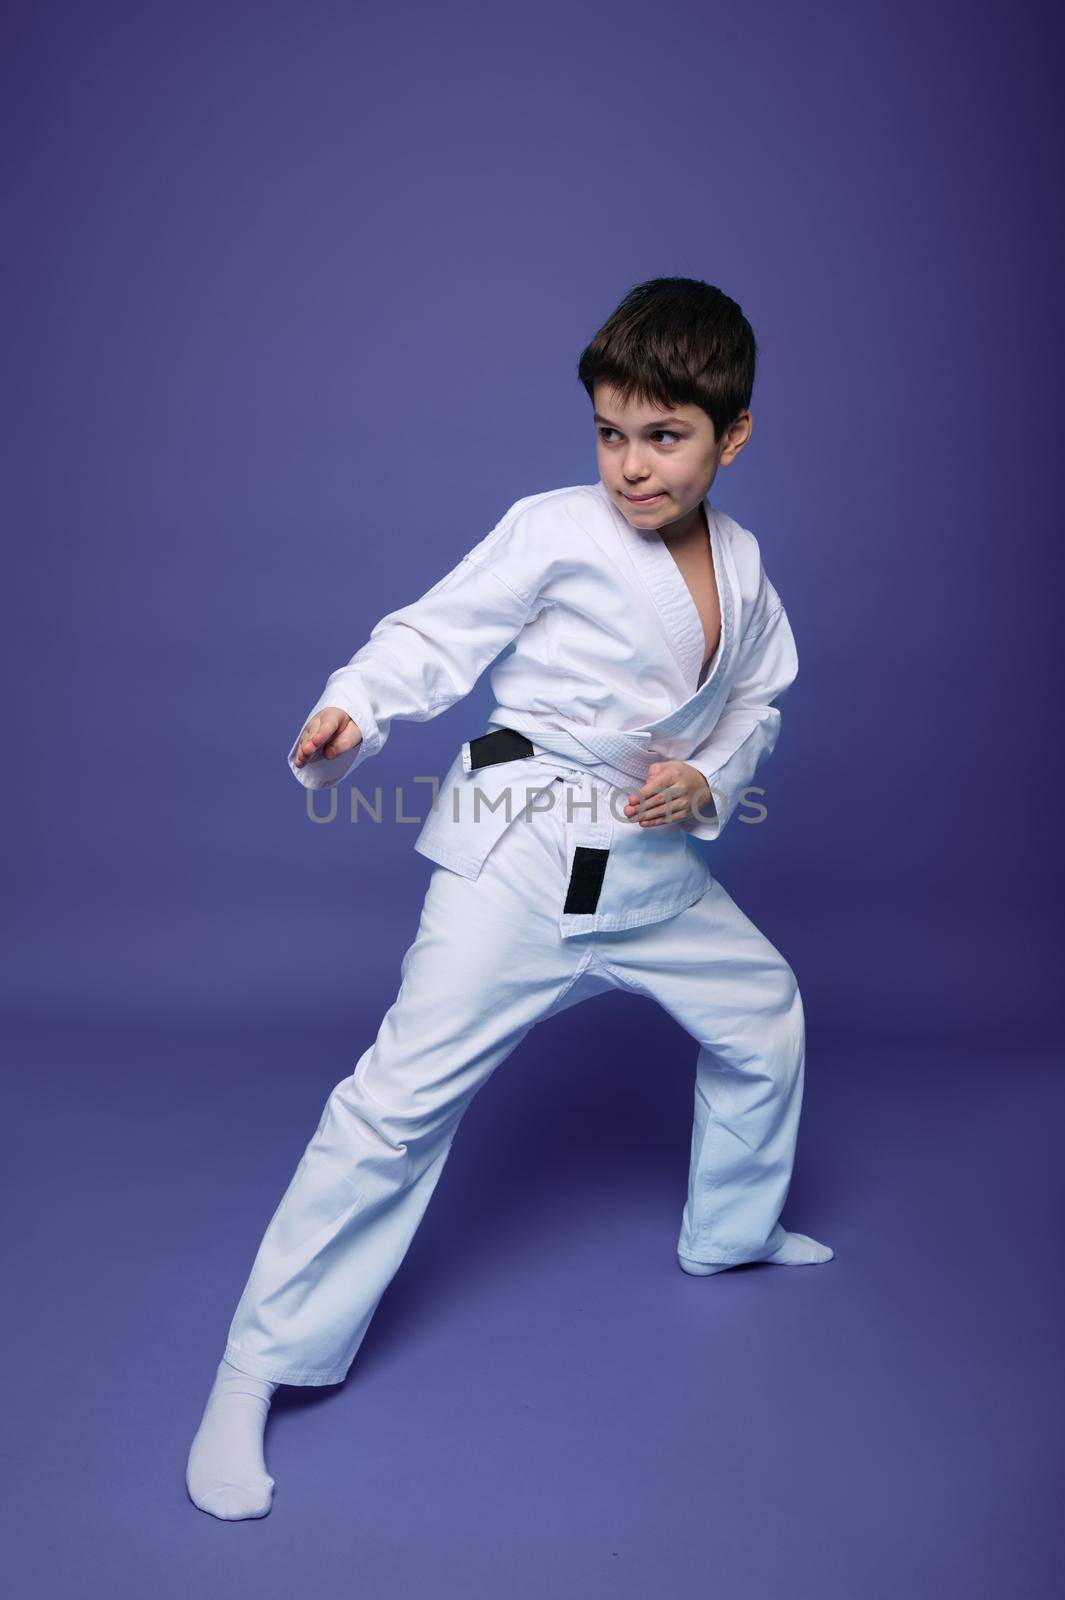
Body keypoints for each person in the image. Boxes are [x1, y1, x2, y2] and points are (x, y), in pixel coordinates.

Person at [186, 276, 833, 1521]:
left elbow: (760, 701)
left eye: (665, 437)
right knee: (396, 1101)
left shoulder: (746, 570)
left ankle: (732, 1229)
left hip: (642, 862)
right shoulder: (553, 528)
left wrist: (706, 775)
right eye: (610, 433)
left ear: (732, 434)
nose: (631, 467)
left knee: (763, 1011)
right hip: (523, 846)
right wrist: (356, 710)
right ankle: (251, 1369)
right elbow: (433, 635)